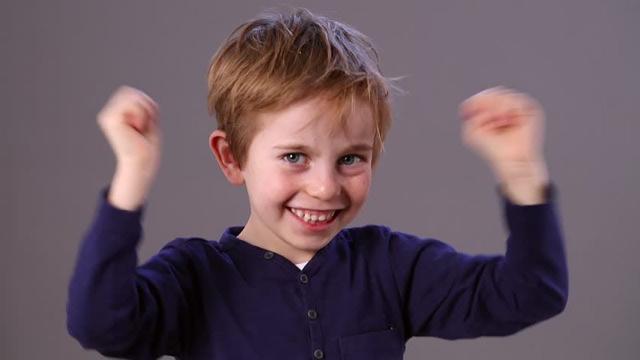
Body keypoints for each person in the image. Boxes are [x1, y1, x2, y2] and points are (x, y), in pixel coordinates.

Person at [66, 8, 568, 360]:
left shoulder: (391, 267)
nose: (326, 187)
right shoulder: (194, 278)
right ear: (232, 157)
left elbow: (530, 294)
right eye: (294, 157)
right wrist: (131, 179)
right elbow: (100, 323)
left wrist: (521, 175)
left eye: (351, 158)